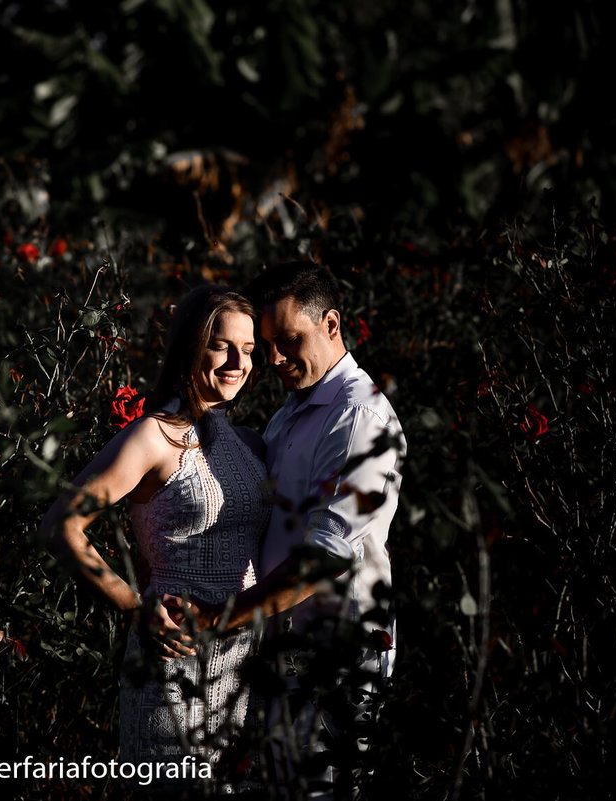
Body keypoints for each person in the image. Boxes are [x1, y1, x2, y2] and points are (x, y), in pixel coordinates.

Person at [176, 261, 406, 797]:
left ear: (331, 324)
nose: (274, 358)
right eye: (267, 343)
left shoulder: (359, 418)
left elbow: (322, 559)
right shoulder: (293, 412)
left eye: (289, 340)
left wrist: (218, 618)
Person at [41, 285, 272, 788]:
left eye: (249, 350)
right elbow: (62, 524)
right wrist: (132, 605)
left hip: (242, 662)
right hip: (174, 657)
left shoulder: (251, 443)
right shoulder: (153, 437)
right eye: (222, 346)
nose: (238, 362)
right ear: (191, 346)